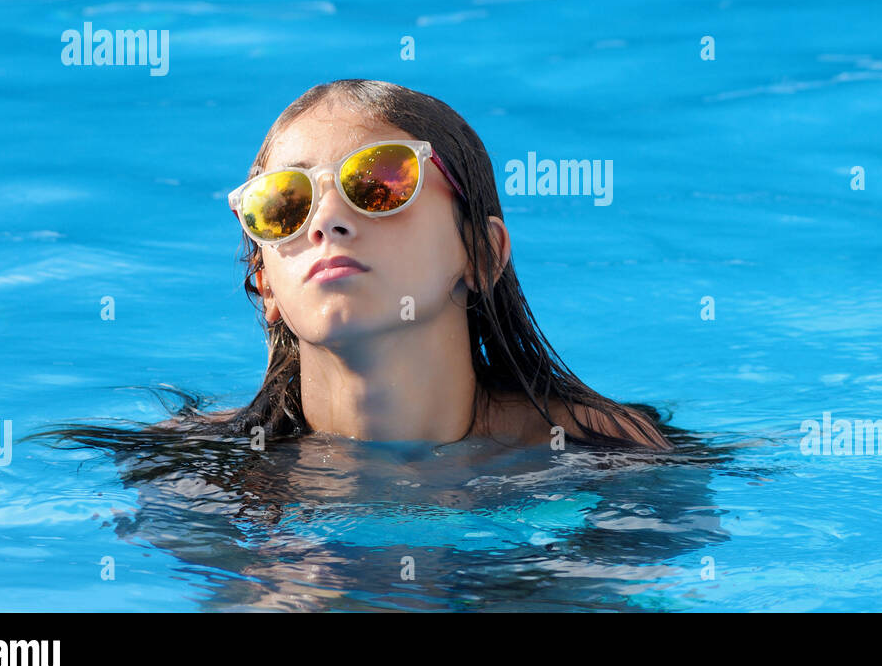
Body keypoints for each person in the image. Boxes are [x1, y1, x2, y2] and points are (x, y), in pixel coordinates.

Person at [219, 78, 672, 452]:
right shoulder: (208, 469)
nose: (327, 222)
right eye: (284, 204)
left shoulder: (601, 451)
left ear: (481, 254)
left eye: (381, 183)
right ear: (267, 287)